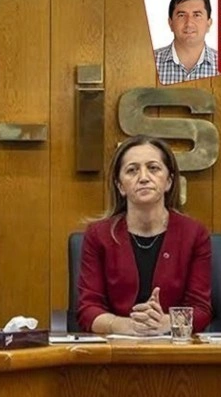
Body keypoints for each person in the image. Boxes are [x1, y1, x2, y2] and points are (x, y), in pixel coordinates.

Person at [77, 135, 211, 335]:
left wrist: (165, 323)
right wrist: (126, 325)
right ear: (120, 186)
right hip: (116, 347)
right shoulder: (98, 235)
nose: (144, 177)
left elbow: (201, 310)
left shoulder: (194, 234)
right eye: (132, 170)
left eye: (153, 168)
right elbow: (88, 309)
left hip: (174, 347)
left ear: (169, 181)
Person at [154, 0, 219, 85]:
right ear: (170, 23)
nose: (189, 23)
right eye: (181, 15)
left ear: (209, 23)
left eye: (197, 15)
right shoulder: (149, 61)